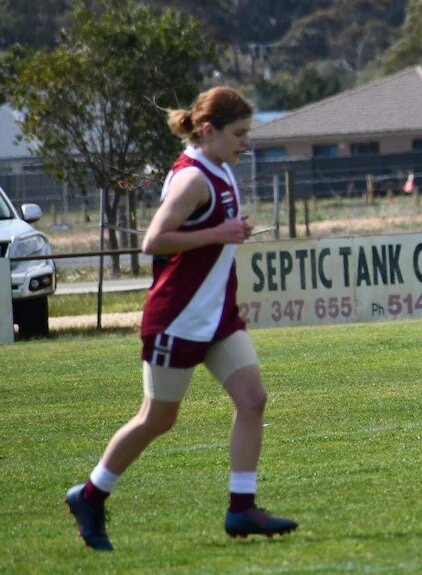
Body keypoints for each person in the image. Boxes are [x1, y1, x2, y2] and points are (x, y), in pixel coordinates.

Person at [65, 86, 297, 551]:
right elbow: (154, 240)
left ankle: (241, 508)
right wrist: (220, 232)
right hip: (178, 318)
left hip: (217, 316)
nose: (246, 142)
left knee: (253, 400)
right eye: (239, 133)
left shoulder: (221, 167)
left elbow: (207, 235)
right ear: (208, 131)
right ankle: (90, 495)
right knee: (158, 419)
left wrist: (229, 232)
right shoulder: (194, 178)